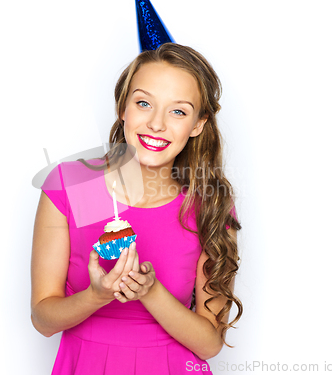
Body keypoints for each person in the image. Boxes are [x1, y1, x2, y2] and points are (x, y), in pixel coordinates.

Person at [31, 43, 242, 375]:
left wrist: (150, 291)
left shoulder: (205, 205)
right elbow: (43, 320)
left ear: (198, 124)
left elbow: (209, 343)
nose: (156, 124)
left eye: (178, 111)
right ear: (123, 108)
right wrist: (97, 296)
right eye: (144, 103)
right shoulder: (74, 187)